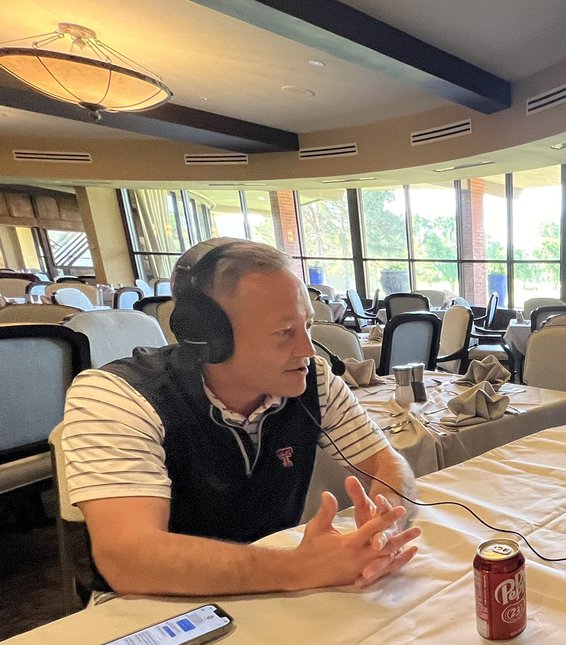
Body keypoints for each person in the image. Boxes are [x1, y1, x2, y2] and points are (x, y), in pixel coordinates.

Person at [60, 238, 420, 598]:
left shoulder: (313, 378)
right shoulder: (117, 395)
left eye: (307, 326)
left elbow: (385, 460)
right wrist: (300, 568)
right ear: (208, 337)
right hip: (152, 608)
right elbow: (128, 558)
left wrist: (386, 523)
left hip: (274, 589)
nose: (307, 350)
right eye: (284, 332)